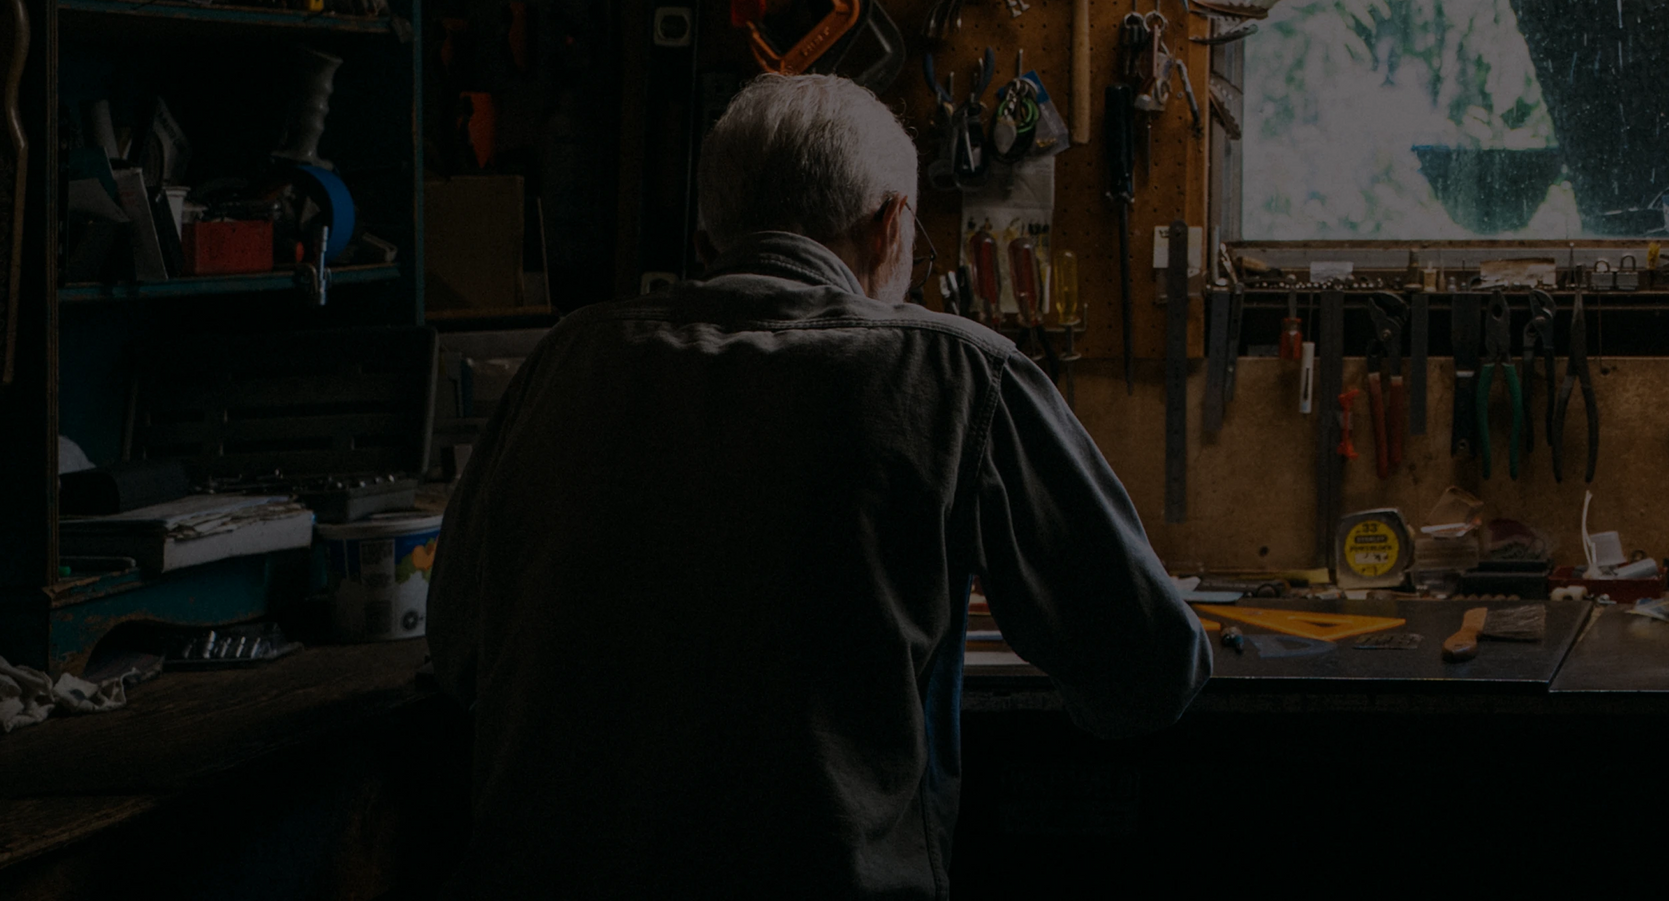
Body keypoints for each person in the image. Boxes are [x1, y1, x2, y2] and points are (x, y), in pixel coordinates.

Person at [431, 72, 1206, 895]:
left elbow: (458, 657)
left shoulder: (563, 361)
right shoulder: (957, 372)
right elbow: (1151, 674)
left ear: (708, 247)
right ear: (890, 226)